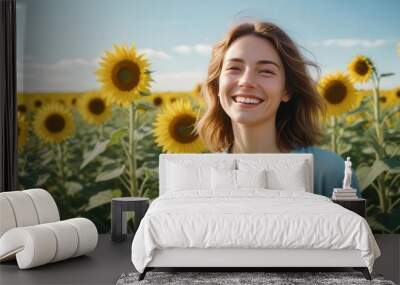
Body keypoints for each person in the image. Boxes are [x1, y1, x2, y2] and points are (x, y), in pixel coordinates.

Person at [194, 21, 360, 198]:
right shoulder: (202, 177)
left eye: (266, 71)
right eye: (234, 68)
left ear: (287, 90)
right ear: (217, 86)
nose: (246, 81)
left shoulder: (327, 172)